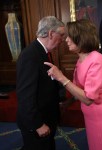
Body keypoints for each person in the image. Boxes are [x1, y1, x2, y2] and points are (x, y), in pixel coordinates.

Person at [45, 19, 102, 150]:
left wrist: (61, 77)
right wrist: (67, 103)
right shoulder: (81, 59)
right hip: (90, 116)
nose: (66, 40)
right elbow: (78, 90)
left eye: (70, 36)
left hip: (101, 116)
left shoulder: (96, 59)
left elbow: (88, 99)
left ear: (82, 37)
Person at [16, 16, 65, 150]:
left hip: (46, 115)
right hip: (37, 121)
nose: (62, 40)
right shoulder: (30, 55)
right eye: (61, 35)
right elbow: (25, 96)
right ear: (50, 33)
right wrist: (37, 124)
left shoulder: (43, 51)